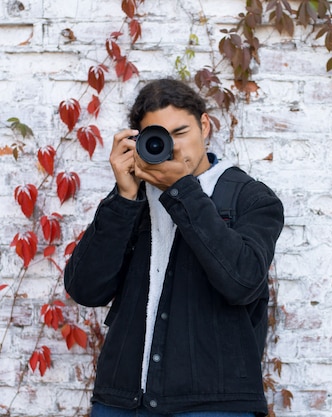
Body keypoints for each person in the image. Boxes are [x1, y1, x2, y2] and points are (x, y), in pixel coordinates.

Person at [64, 78, 284, 417]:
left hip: (213, 404)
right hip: (122, 400)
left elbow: (241, 282)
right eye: (160, 137)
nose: (174, 147)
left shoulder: (251, 198)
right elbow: (85, 289)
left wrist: (181, 190)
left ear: (205, 125)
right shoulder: (132, 199)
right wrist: (123, 199)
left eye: (180, 133)